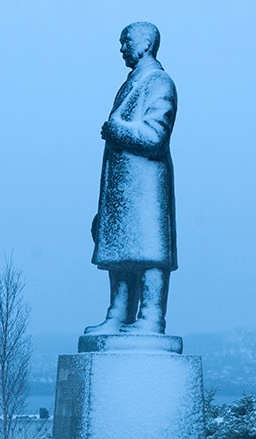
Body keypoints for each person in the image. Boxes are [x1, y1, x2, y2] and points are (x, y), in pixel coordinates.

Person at [85, 22, 178, 335]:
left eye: (125, 41)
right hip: (123, 189)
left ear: (145, 43)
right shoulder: (133, 82)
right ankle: (119, 314)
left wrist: (117, 130)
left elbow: (155, 136)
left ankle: (151, 318)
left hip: (147, 188)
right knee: (121, 252)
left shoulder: (159, 81)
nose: (121, 48)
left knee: (150, 252)